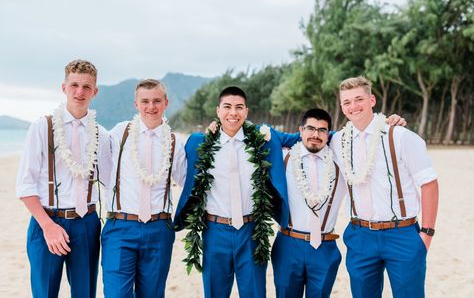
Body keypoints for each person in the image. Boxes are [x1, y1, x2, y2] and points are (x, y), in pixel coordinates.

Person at [174, 86, 299, 298]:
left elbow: (302, 136)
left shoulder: (264, 138)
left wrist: (346, 132)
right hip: (214, 230)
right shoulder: (198, 142)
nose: (233, 113)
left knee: (255, 292)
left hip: (252, 230)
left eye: (239, 107)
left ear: (247, 112)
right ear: (218, 110)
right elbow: (181, 174)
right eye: (227, 107)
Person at [331, 76, 439, 298]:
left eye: (359, 99)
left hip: (402, 234)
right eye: (347, 102)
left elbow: (429, 184)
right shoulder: (337, 141)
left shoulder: (400, 136)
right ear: (341, 107)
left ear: (372, 100)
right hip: (360, 236)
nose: (353, 106)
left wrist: (426, 234)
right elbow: (309, 140)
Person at [16, 59, 111, 297]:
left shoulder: (102, 135)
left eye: (87, 87)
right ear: (64, 87)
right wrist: (48, 226)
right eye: (75, 85)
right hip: (46, 220)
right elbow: (25, 184)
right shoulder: (42, 127)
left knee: (85, 293)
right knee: (44, 292)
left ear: (95, 91)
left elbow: (112, 180)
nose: (80, 92)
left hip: (87, 223)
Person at [101, 79, 186, 298]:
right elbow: (99, 166)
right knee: (116, 294)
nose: (151, 106)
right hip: (120, 227)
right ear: (136, 104)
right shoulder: (120, 133)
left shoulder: (174, 142)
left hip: (159, 229)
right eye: (145, 101)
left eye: (157, 101)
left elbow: (187, 182)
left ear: (166, 103)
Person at [271, 108, 347, 298]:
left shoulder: (341, 159)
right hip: (288, 244)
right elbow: (260, 132)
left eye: (322, 130)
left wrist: (390, 123)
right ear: (300, 130)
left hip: (325, 246)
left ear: (329, 134)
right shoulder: (283, 157)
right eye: (310, 128)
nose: (316, 134)